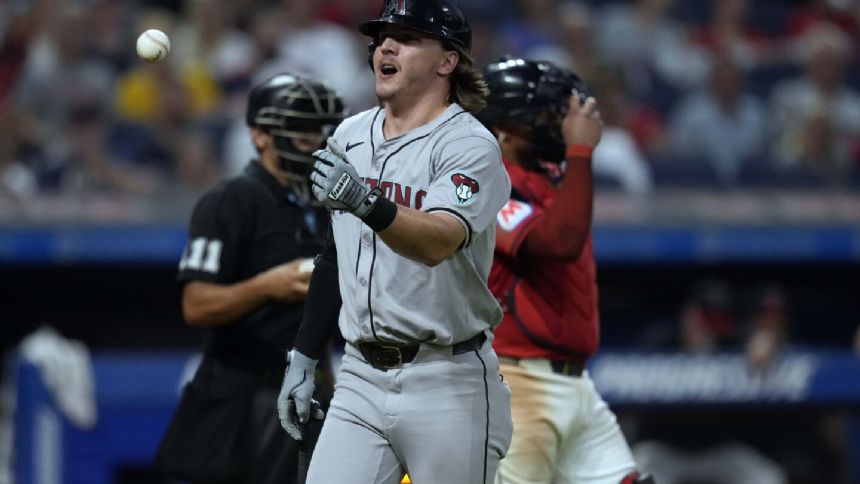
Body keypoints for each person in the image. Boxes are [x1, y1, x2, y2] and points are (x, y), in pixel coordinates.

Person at [276, 0, 514, 482]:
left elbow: (438, 241)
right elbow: (335, 253)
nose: (385, 45)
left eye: (406, 38)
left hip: (448, 381)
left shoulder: (468, 145)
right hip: (359, 376)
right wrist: (303, 356)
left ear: (448, 62)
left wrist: (366, 202)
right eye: (382, 36)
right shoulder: (350, 135)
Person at [155, 72, 347, 484]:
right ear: (260, 136)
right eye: (298, 129)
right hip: (238, 393)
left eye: (318, 129)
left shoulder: (323, 204)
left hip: (304, 389)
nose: (312, 139)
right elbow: (196, 304)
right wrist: (267, 285)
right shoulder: (230, 200)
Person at [479, 58, 653, 484]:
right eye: (545, 115)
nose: (558, 123)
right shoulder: (482, 183)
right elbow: (557, 243)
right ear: (503, 128)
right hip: (520, 383)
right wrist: (580, 151)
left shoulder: (549, 174)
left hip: (576, 382)